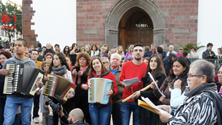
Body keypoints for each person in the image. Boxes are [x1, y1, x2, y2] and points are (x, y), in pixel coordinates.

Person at [158, 60, 222, 124]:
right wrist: (170, 110)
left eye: (191, 76)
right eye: (188, 75)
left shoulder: (205, 99)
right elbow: (189, 113)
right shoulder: (197, 93)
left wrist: (170, 120)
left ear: (203, 78)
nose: (188, 79)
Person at [1, 38, 43, 125]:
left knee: (26, 122)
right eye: (15, 45)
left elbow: (37, 80)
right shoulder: (9, 62)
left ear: (25, 48)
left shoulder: (31, 63)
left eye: (19, 45)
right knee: (8, 122)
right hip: (12, 96)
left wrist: (39, 84)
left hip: (27, 97)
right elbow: (2, 79)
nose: (17, 47)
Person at [81, 57, 118, 125]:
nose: (96, 65)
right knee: (95, 123)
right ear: (92, 66)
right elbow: (86, 85)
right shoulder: (90, 76)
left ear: (101, 63)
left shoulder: (109, 74)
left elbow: (115, 88)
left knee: (104, 123)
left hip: (106, 104)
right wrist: (83, 86)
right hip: (93, 104)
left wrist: (112, 92)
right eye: (93, 64)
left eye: (97, 63)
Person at [152, 56, 189, 125]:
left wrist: (163, 100)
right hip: (164, 113)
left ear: (184, 68)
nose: (175, 68)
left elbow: (182, 101)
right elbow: (159, 95)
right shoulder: (169, 78)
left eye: (177, 66)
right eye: (173, 66)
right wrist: (155, 89)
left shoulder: (187, 81)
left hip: (178, 115)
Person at [132, 54, 166, 125]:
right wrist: (137, 96)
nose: (153, 63)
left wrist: (140, 93)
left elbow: (156, 94)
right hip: (145, 108)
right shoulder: (148, 76)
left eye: (155, 61)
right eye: (151, 61)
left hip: (153, 108)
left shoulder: (160, 75)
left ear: (158, 63)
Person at [119, 44, 148, 125]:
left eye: (140, 50)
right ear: (132, 52)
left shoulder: (147, 66)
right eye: (136, 50)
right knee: (125, 123)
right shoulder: (125, 65)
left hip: (139, 99)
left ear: (143, 53)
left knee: (137, 123)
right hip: (127, 98)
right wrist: (125, 85)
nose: (138, 52)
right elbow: (121, 80)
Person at [49, 52, 73, 125]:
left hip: (64, 99)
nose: (54, 61)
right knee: (54, 121)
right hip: (54, 99)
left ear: (61, 60)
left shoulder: (67, 72)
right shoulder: (51, 72)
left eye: (56, 59)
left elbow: (71, 86)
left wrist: (71, 93)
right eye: (53, 59)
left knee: (64, 120)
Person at [71, 52, 91, 124]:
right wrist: (72, 74)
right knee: (77, 114)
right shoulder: (75, 68)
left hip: (85, 95)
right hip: (76, 95)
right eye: (80, 59)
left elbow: (89, 77)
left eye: (83, 59)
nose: (81, 61)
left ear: (87, 61)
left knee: (86, 114)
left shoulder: (89, 69)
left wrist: (83, 74)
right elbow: (71, 79)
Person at [108, 53, 123, 125]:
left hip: (118, 101)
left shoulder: (123, 71)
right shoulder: (104, 70)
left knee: (118, 122)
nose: (115, 61)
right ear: (110, 60)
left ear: (120, 62)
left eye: (117, 60)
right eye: (113, 59)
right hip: (106, 102)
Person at [0, 51, 12, 125]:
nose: (1, 60)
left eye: (3, 58)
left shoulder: (12, 68)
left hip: (9, 97)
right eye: (0, 59)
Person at [30, 49, 42, 123]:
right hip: (29, 84)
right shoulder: (28, 62)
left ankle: (35, 115)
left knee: (36, 101)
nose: (34, 55)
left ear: (38, 55)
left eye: (36, 54)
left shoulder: (40, 63)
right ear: (31, 55)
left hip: (37, 84)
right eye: (33, 54)